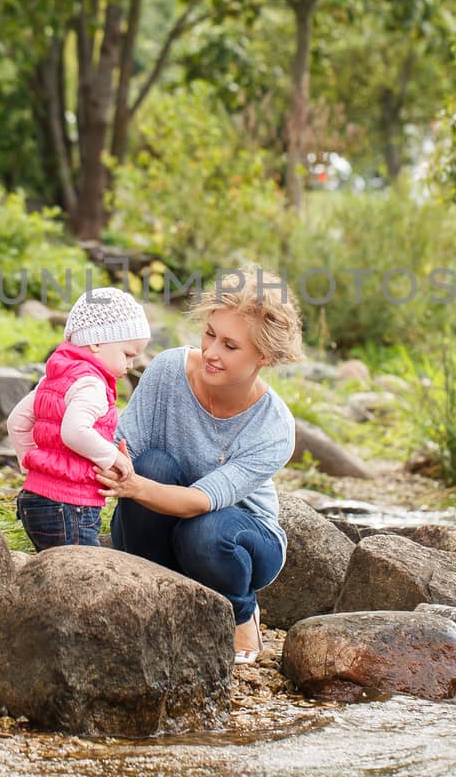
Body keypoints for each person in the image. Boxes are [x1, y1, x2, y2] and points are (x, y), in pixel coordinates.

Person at [96, 265, 304, 664]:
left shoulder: (275, 426)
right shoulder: (169, 370)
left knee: (204, 531)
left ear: (264, 355)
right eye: (210, 334)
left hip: (237, 537)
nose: (210, 352)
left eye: (230, 345)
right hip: (154, 525)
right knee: (151, 464)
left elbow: (202, 501)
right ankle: (155, 599)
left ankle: (241, 611)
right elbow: (121, 447)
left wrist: (134, 486)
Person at [7, 286, 151, 551]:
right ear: (96, 342)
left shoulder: (54, 377)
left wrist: (32, 467)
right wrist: (112, 457)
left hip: (33, 499)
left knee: (54, 573)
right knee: (80, 581)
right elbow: (74, 432)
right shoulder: (91, 385)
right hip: (70, 505)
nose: (131, 365)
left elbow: (16, 422)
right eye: (128, 354)